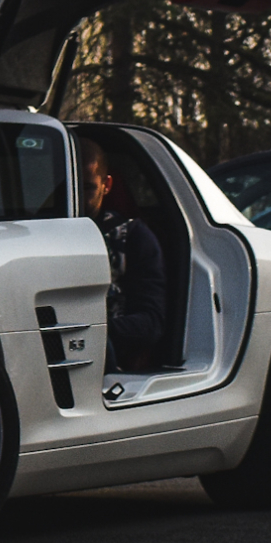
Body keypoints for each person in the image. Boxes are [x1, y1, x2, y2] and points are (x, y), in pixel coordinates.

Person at [79, 138, 167, 370]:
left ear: (107, 185)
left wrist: (97, 332)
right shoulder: (41, 232)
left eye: (87, 187)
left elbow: (151, 322)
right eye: (70, 186)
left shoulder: (132, 236)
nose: (77, 196)